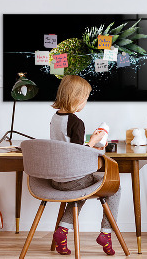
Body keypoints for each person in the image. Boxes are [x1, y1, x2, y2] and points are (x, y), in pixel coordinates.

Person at [50, 75, 120, 256]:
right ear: (77, 98)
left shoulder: (55, 118)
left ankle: (62, 231)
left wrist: (89, 142)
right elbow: (78, 154)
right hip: (73, 179)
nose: (85, 102)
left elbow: (67, 147)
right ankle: (106, 233)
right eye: (86, 98)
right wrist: (95, 141)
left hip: (56, 179)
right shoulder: (76, 122)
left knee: (80, 191)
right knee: (115, 187)